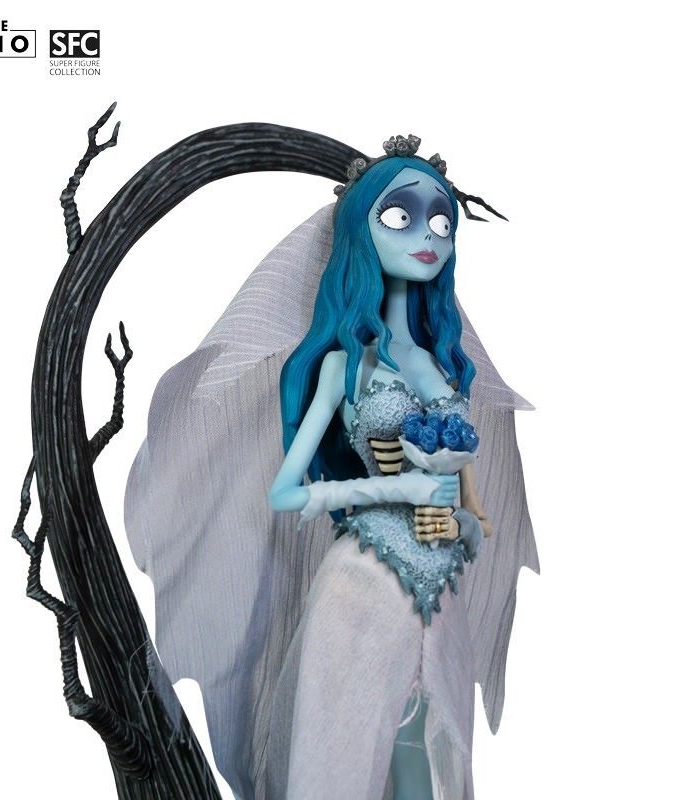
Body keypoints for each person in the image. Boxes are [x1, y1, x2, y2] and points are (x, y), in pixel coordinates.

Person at [124, 132, 537, 800]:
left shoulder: (443, 366)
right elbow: (289, 492)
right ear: (360, 230)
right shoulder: (345, 366)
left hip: (441, 593)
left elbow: (473, 509)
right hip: (364, 583)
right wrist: (395, 488)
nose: (428, 235)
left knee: (429, 760)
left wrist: (465, 520)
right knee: (345, 749)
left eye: (442, 221)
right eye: (400, 216)